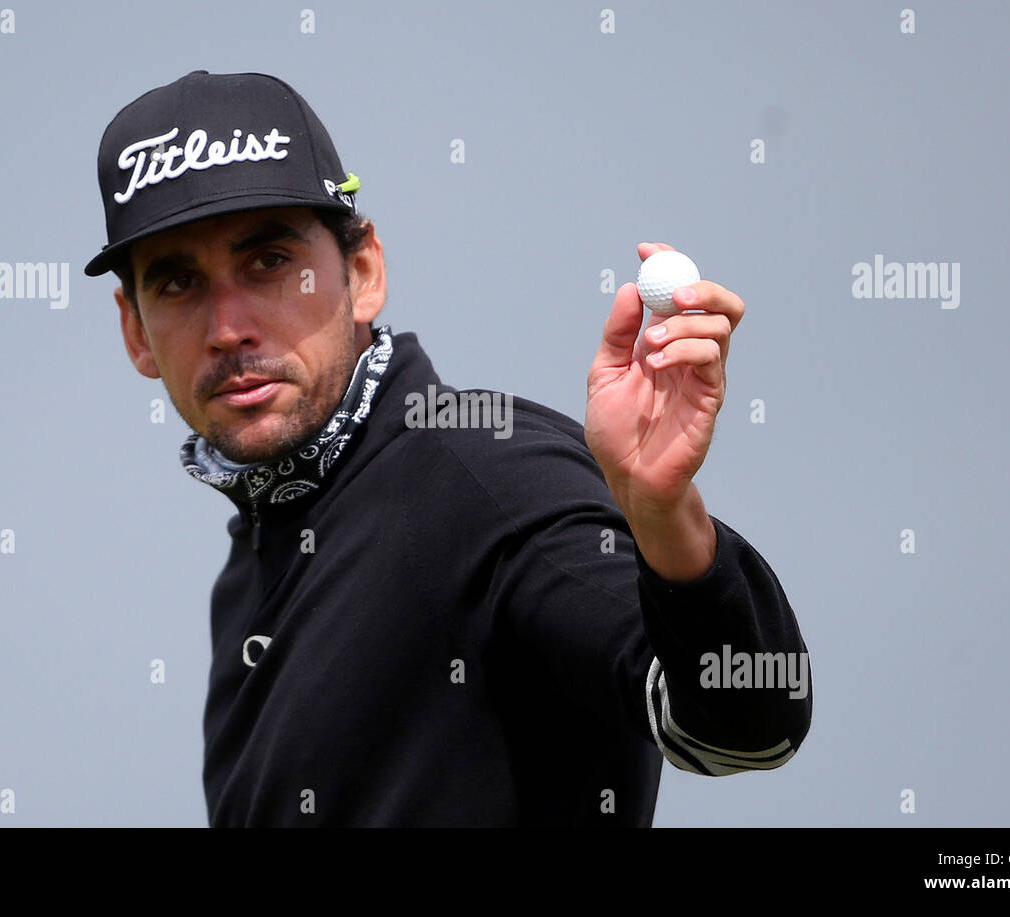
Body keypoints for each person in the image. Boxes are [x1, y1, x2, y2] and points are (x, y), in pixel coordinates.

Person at [84, 70, 812, 827]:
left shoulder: (486, 475)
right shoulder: (251, 565)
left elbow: (746, 728)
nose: (227, 327)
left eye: (268, 262)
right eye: (177, 283)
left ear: (364, 272)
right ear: (136, 331)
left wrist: (666, 516)